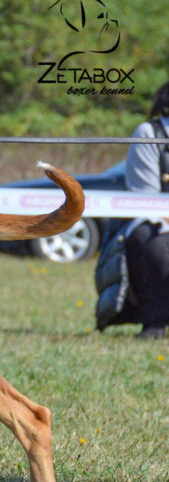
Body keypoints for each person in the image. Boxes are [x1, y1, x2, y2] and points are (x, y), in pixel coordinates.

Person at [96, 81, 169, 338]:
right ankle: (155, 321)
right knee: (150, 238)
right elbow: (145, 200)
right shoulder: (149, 133)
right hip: (158, 223)